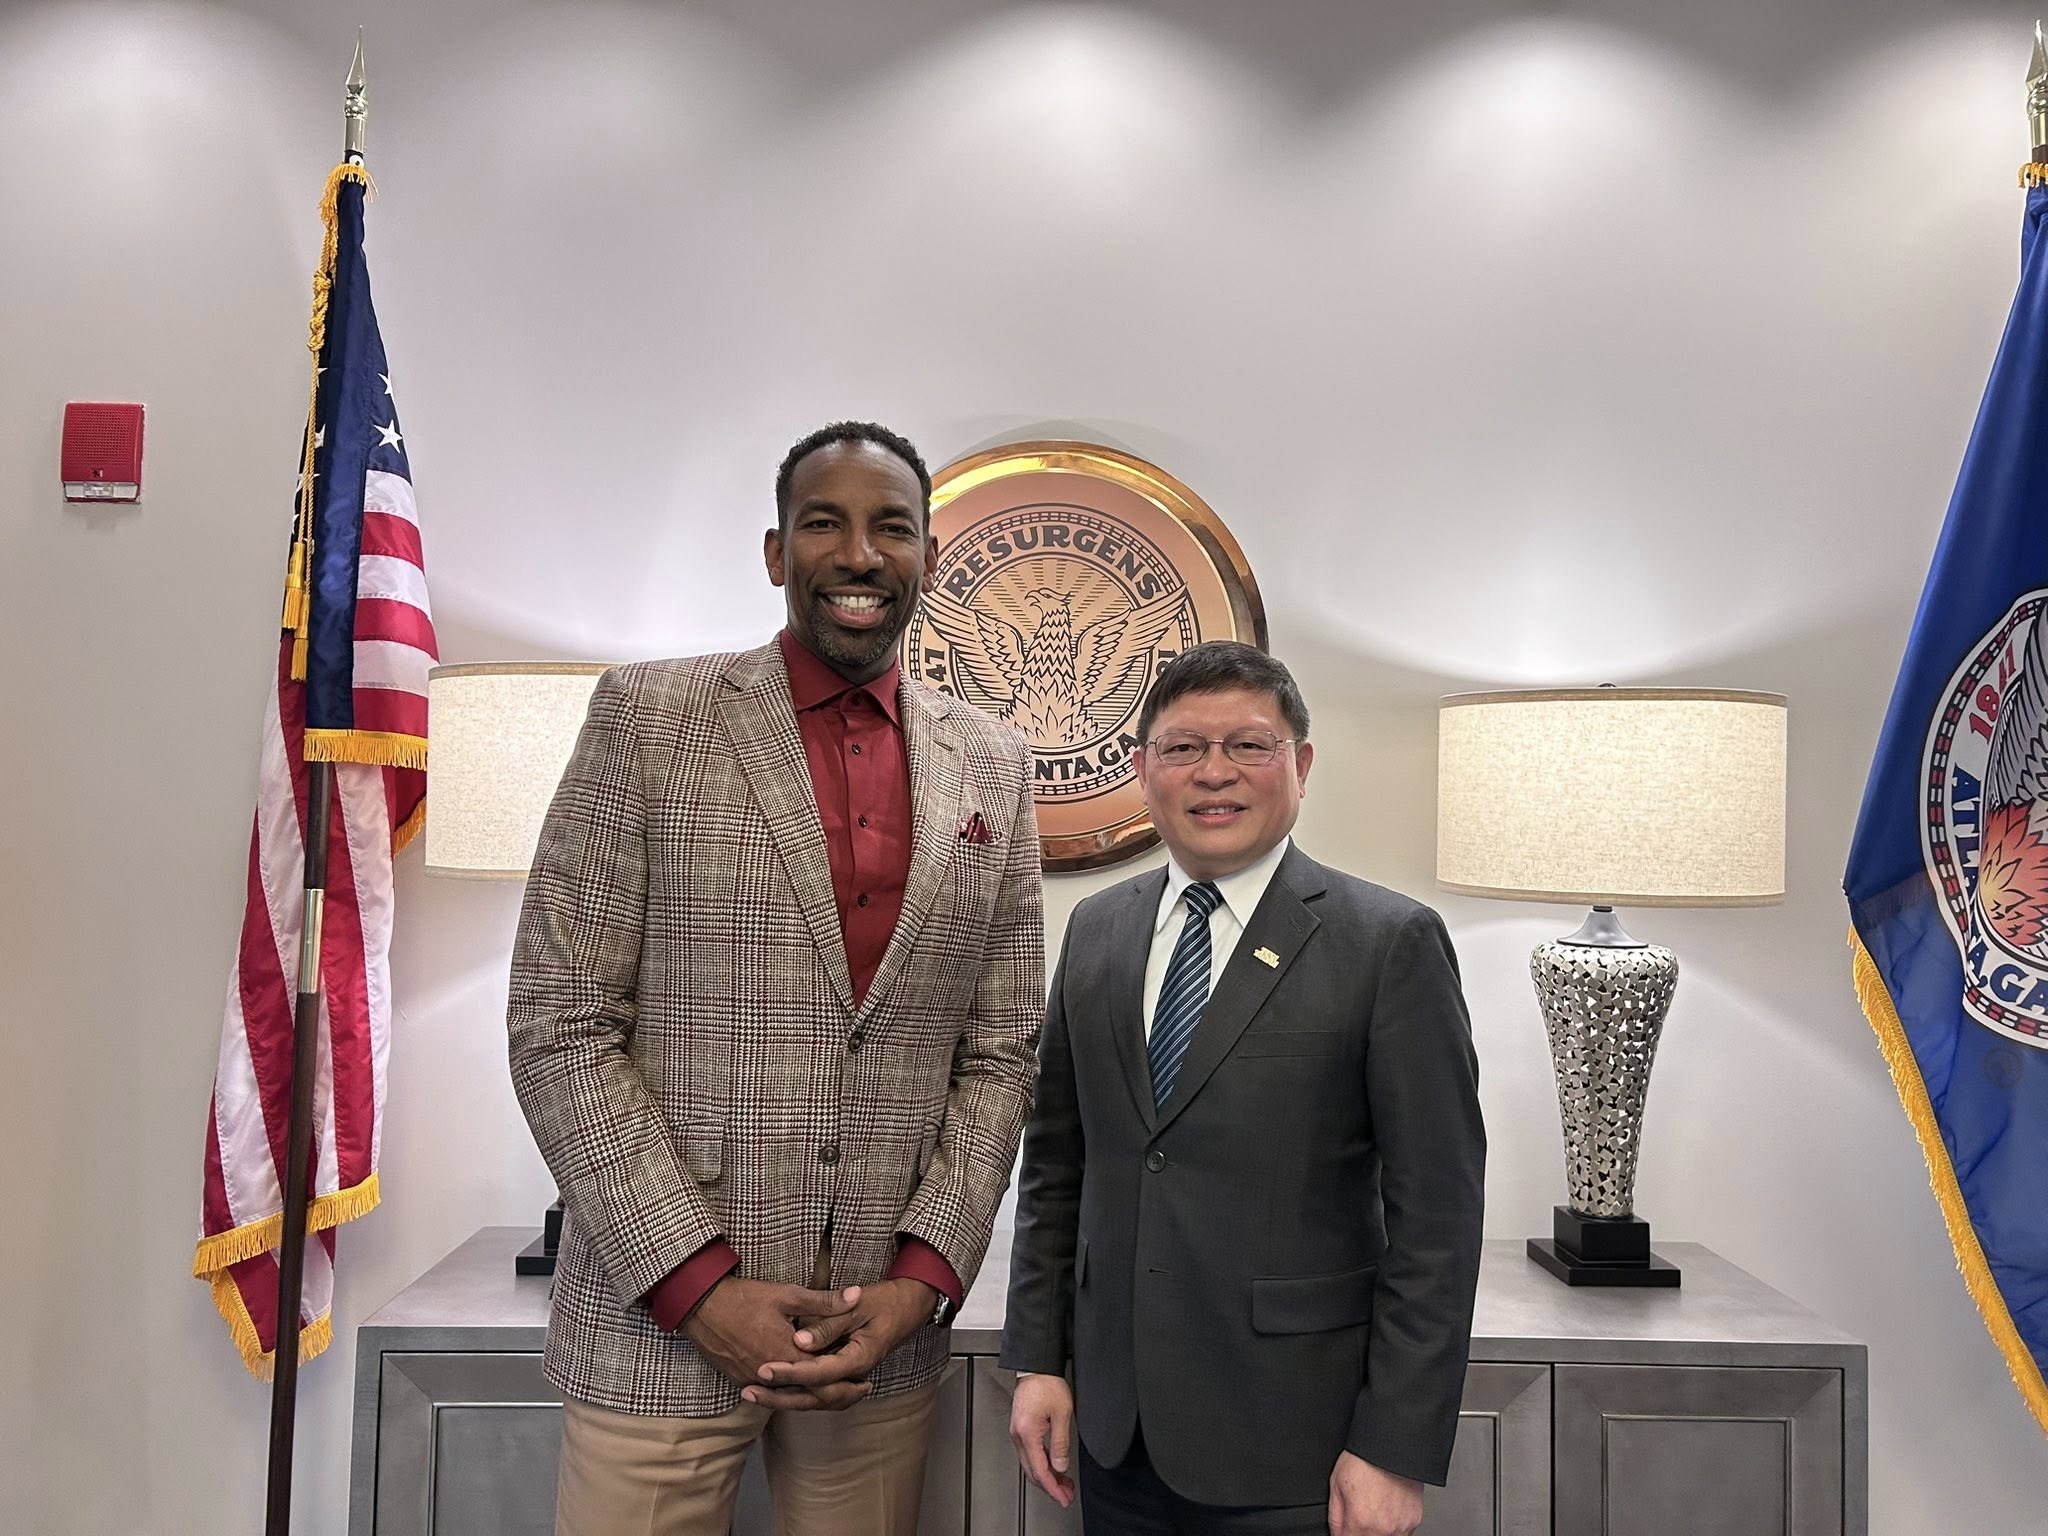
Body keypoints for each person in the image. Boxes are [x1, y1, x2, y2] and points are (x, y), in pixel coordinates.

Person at [508, 420, 1045, 1536]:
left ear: (928, 556)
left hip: (875, 1343)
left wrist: (921, 1279)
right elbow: (561, 1022)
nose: (859, 554)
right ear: (773, 552)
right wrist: (695, 1285)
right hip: (656, 1332)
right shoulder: (648, 718)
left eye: (891, 527)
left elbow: (1001, 1050)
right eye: (823, 523)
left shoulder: (992, 761)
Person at [1001, 640, 1485, 1536]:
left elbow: (1438, 1221)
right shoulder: (1096, 931)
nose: (1213, 772)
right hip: (1114, 1436)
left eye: (1250, 746)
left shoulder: (1388, 943)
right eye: (1183, 747)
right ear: (1143, 770)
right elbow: (1058, 1171)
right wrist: (1039, 1360)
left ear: (1302, 765)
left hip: (1299, 1444)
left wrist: (1394, 1447)